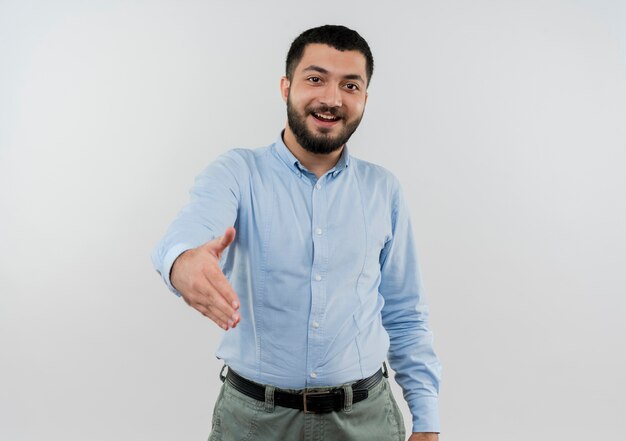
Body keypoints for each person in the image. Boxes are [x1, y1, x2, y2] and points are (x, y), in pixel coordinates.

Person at [152, 25, 441, 441]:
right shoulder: (237, 172)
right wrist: (183, 261)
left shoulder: (384, 190)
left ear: (364, 98)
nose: (331, 98)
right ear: (286, 86)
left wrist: (427, 421)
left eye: (350, 85)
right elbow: (189, 230)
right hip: (253, 423)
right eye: (315, 79)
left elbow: (406, 313)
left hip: (366, 422)